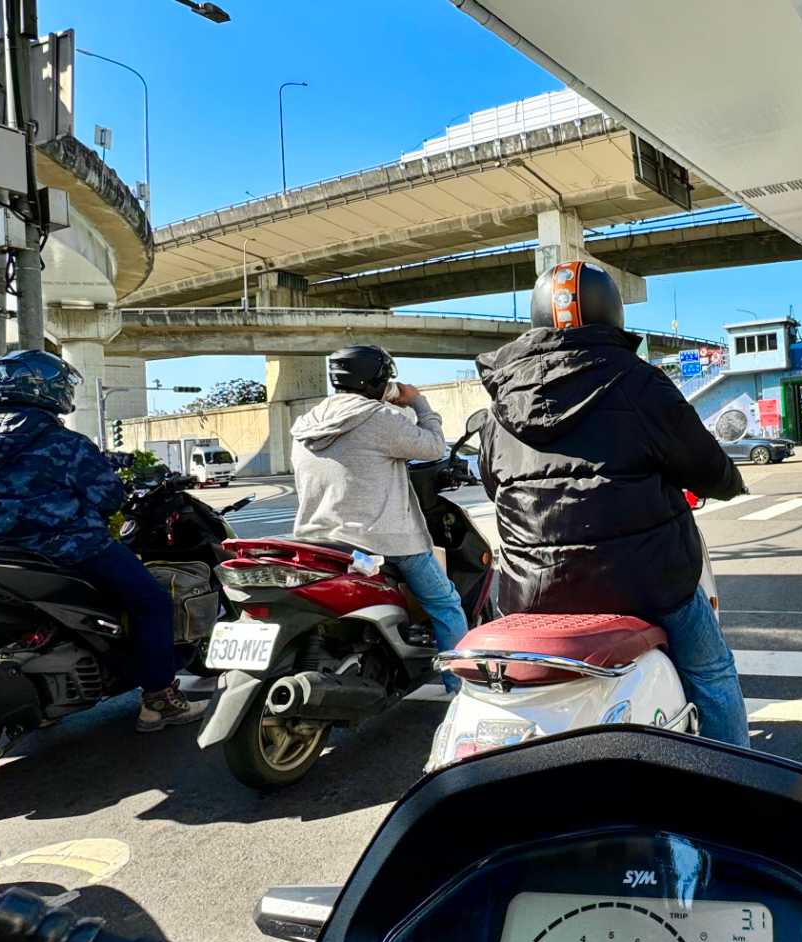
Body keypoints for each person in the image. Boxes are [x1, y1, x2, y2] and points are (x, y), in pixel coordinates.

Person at [475, 261, 751, 746]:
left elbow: (492, 485)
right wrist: (731, 482)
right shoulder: (639, 382)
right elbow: (707, 466)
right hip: (647, 582)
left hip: (530, 592)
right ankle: (737, 793)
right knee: (713, 674)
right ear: (614, 314)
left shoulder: (501, 401)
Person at [0, 349, 201, 732]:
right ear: (44, 389)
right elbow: (107, 497)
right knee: (152, 600)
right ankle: (160, 698)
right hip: (68, 546)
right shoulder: (63, 442)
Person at [289, 345, 467, 691]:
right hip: (381, 541)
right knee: (446, 604)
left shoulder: (307, 423)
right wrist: (418, 402)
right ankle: (460, 689)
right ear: (377, 380)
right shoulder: (379, 418)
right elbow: (433, 447)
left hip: (319, 540)